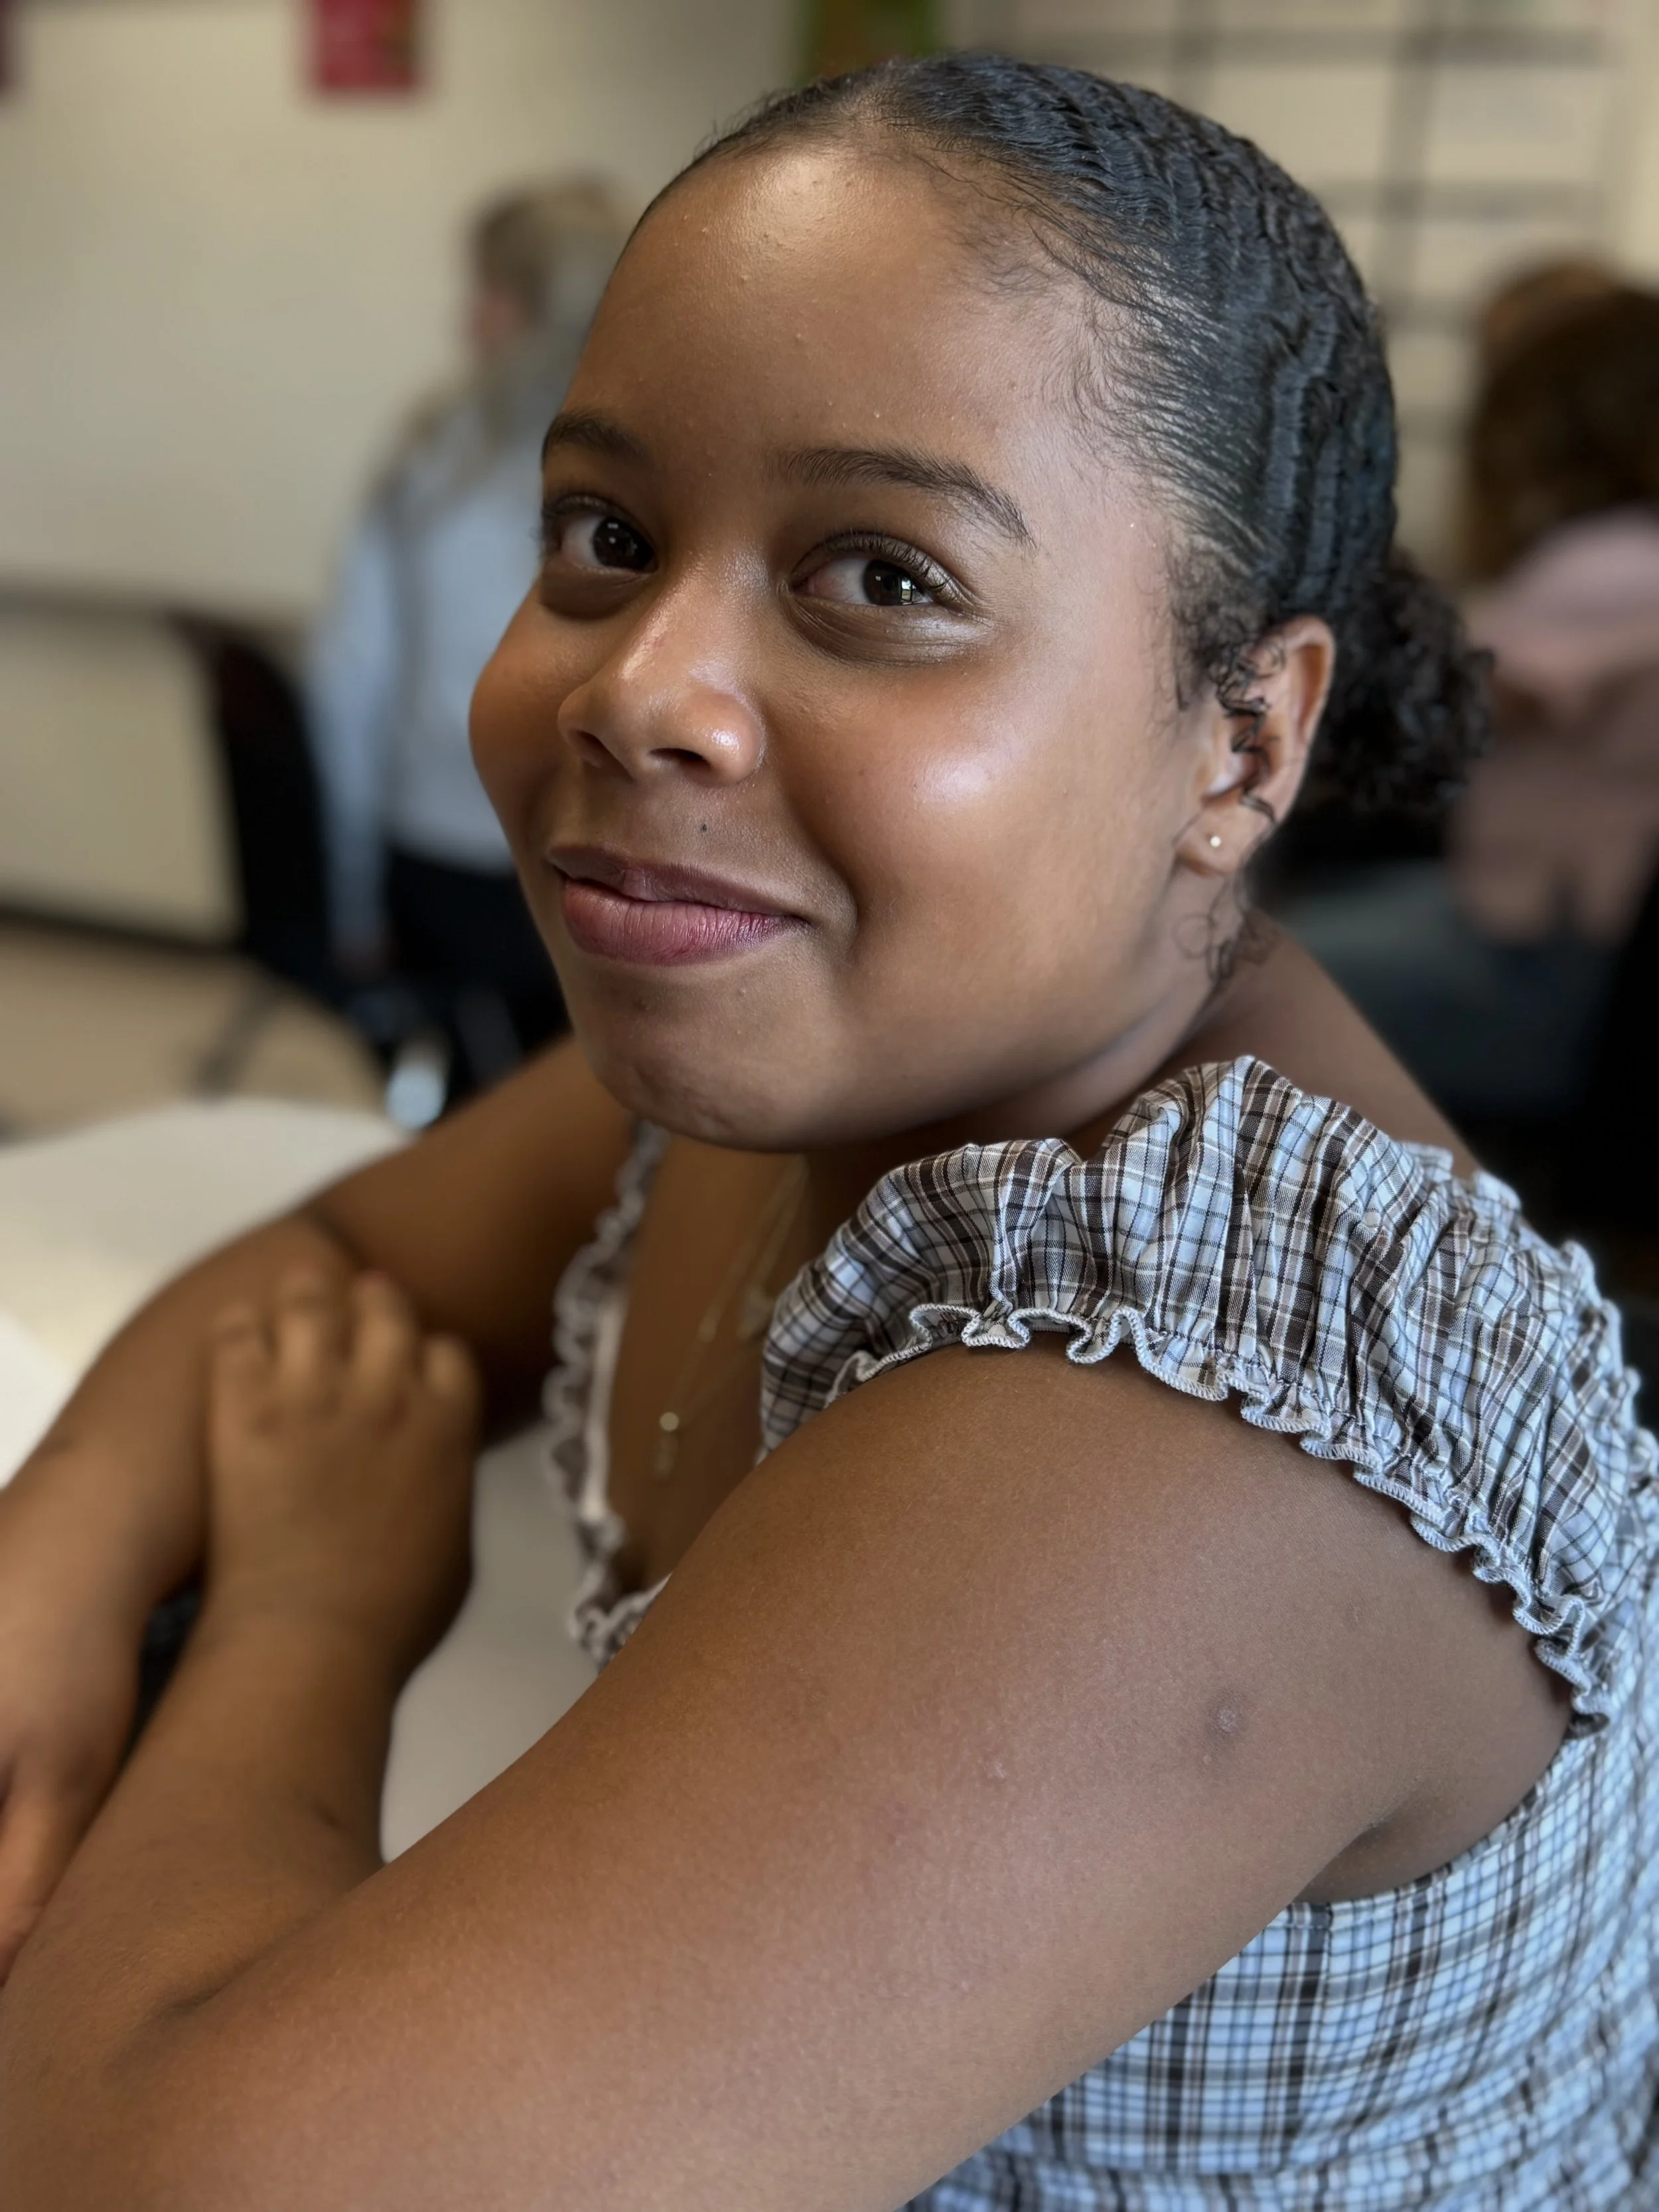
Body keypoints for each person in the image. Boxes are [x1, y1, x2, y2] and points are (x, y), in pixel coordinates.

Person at [1, 54, 1655, 2208]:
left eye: (880, 578)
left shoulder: (1201, 1417)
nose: (638, 681)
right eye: (603, 537)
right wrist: (48, 1578)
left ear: (1243, 738)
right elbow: (341, 1274)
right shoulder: (867, 1031)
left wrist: (311, 1604)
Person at [307, 177, 629, 1092]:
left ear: (541, 307)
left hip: (444, 870)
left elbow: (346, 681)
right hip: (604, 858)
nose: (469, 316)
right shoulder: (667, 462)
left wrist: (351, 897)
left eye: (493, 291)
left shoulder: (429, 449)